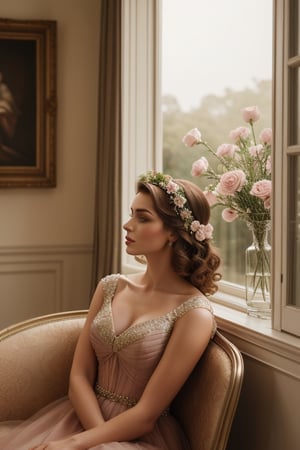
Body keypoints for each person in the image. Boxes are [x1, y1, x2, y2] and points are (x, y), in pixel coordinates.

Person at [0, 171, 221, 450]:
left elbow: (146, 416)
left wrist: (78, 445)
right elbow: (79, 377)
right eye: (131, 214)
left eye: (143, 218)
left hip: (138, 436)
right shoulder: (111, 287)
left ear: (174, 233)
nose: (128, 225)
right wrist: (92, 440)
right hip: (81, 420)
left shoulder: (194, 313)